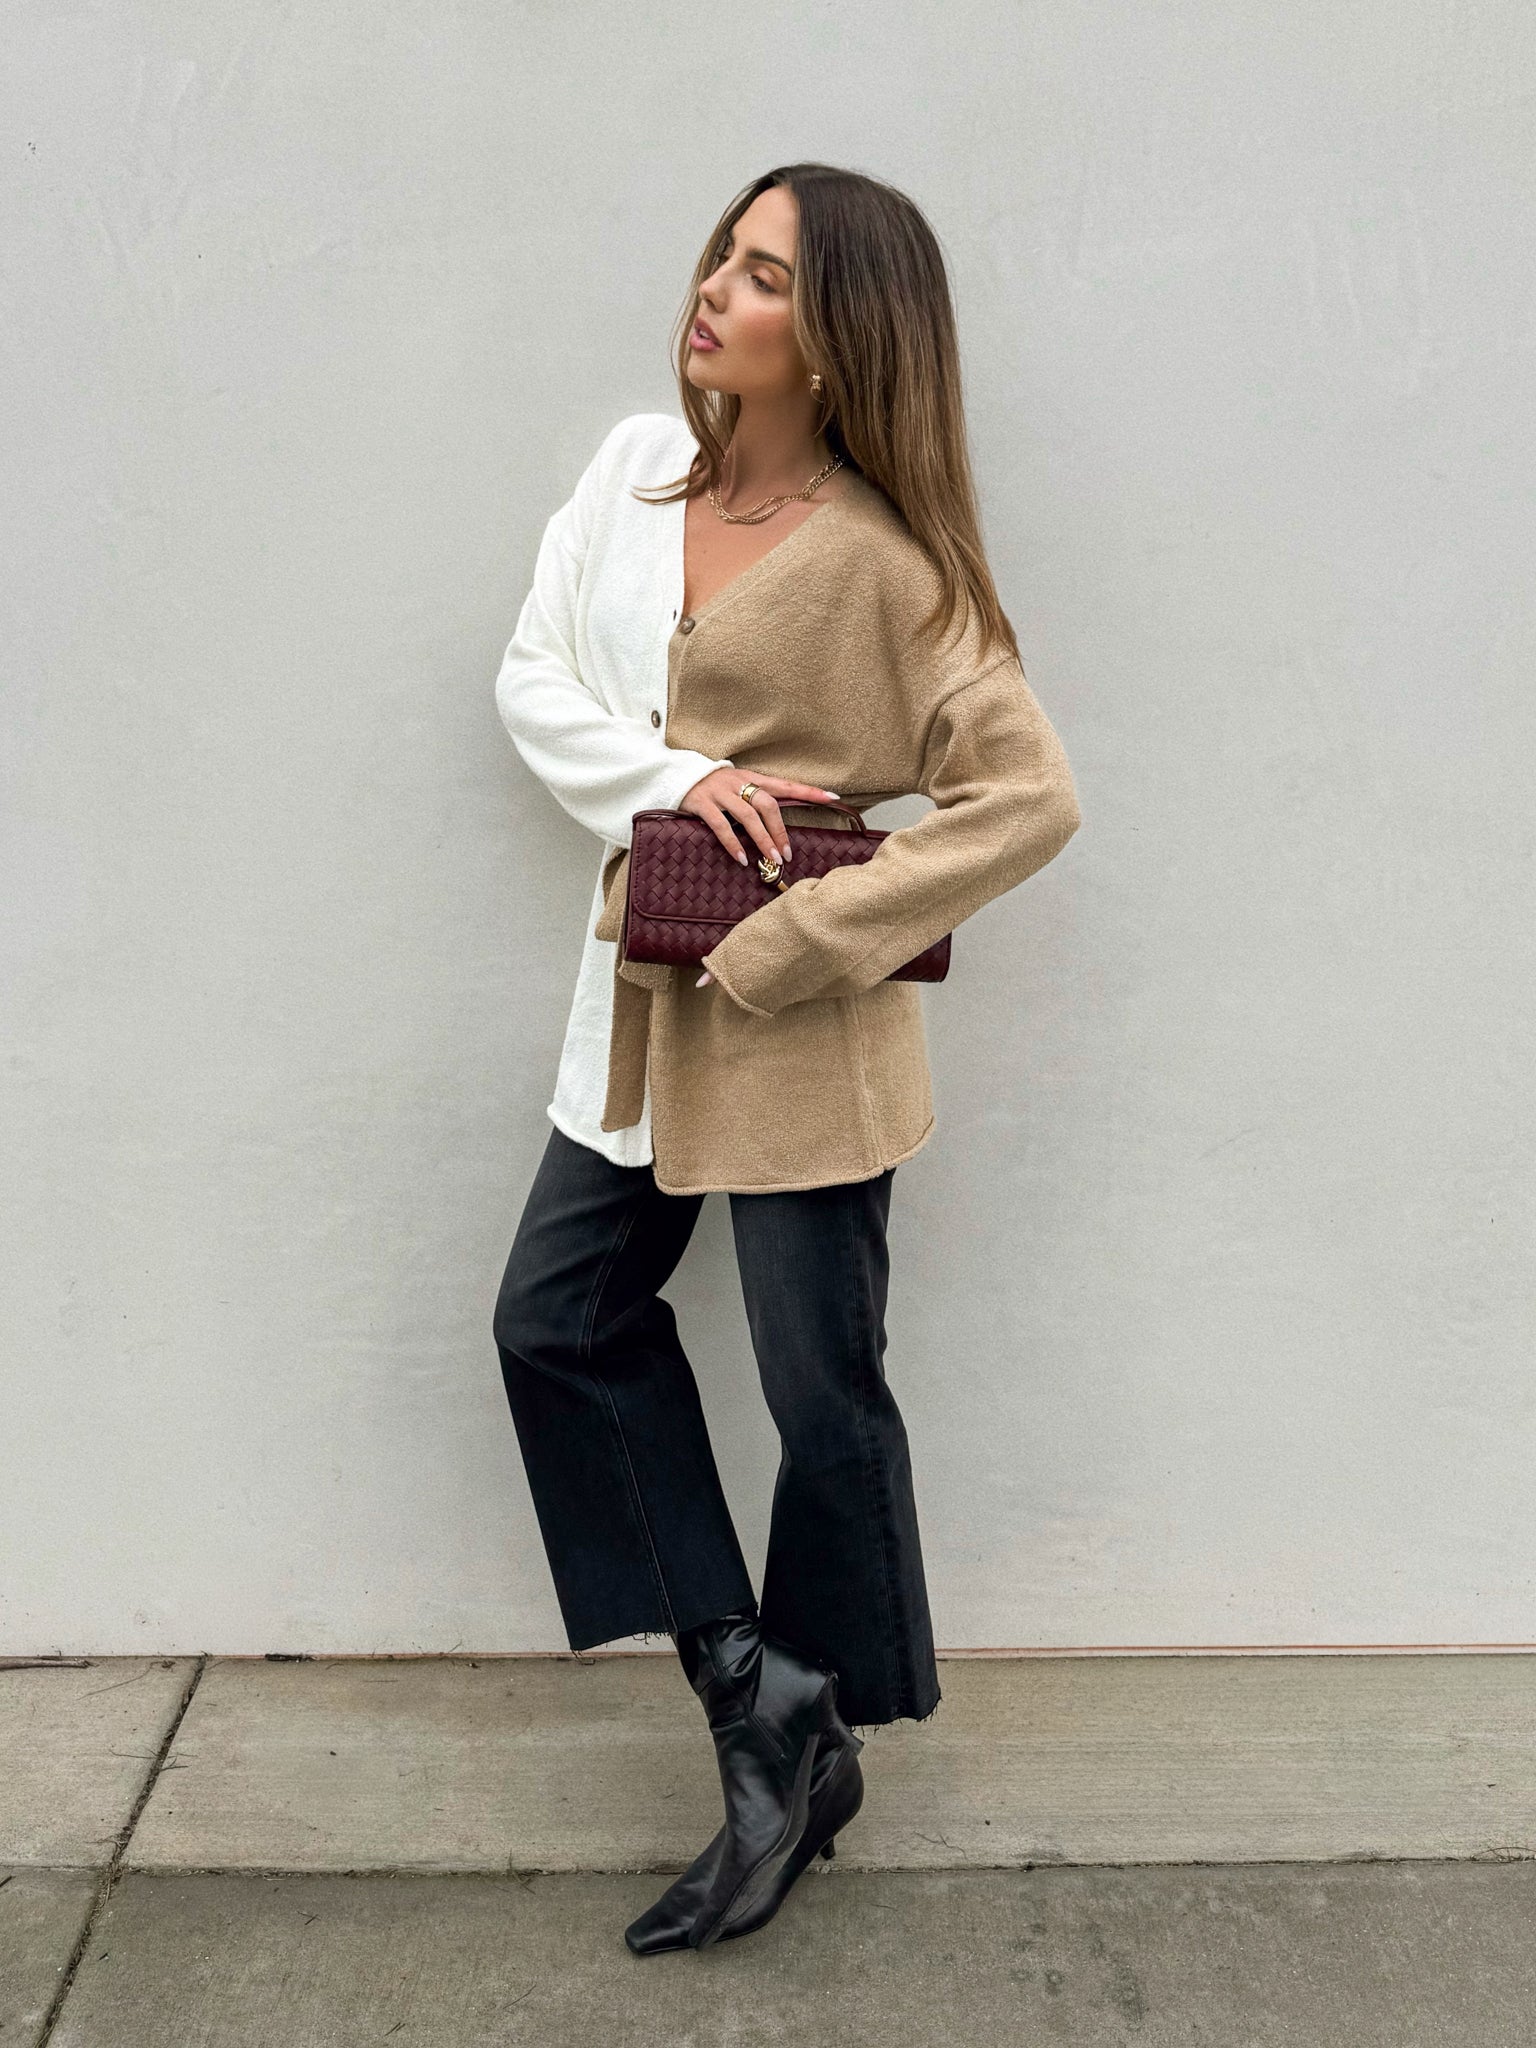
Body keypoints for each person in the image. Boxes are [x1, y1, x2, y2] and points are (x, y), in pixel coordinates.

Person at [490, 162, 1082, 1955]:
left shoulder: (894, 570)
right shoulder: (629, 473)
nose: (715, 291)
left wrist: (805, 938)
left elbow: (1026, 798)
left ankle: (801, 1747)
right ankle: (760, 1699)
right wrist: (683, 781)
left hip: (803, 1032)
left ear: (833, 342)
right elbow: (533, 684)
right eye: (723, 257)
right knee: (556, 1320)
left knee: (826, 1396)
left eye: (763, 278)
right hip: (637, 1018)